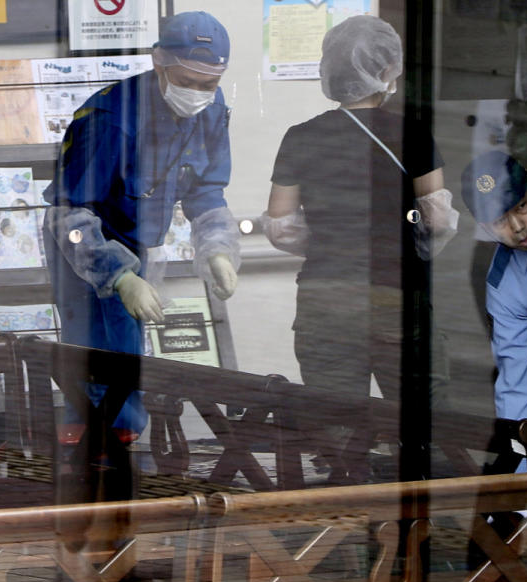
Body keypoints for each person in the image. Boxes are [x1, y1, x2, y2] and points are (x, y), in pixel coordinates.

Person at [263, 15, 458, 483]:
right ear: (388, 68)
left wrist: (334, 244)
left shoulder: (301, 136)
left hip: (324, 295)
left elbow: (282, 226)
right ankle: (412, 524)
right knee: (420, 424)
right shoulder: (410, 132)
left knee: (336, 424)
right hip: (394, 293)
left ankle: (344, 520)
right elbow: (437, 220)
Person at [42, 12, 241, 465]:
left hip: (141, 240)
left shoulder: (210, 107)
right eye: (189, 80)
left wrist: (217, 248)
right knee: (96, 352)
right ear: (158, 62)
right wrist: (118, 274)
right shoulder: (110, 119)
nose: (200, 93)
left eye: (211, 83)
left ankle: (124, 446)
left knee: (129, 351)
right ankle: (97, 452)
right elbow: (69, 213)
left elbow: (207, 188)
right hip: (84, 245)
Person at [461, 150, 527, 423]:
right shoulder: (505, 287)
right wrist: (521, 460)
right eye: (500, 221)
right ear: (483, 227)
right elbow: (518, 388)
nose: (518, 227)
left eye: (521, 206)